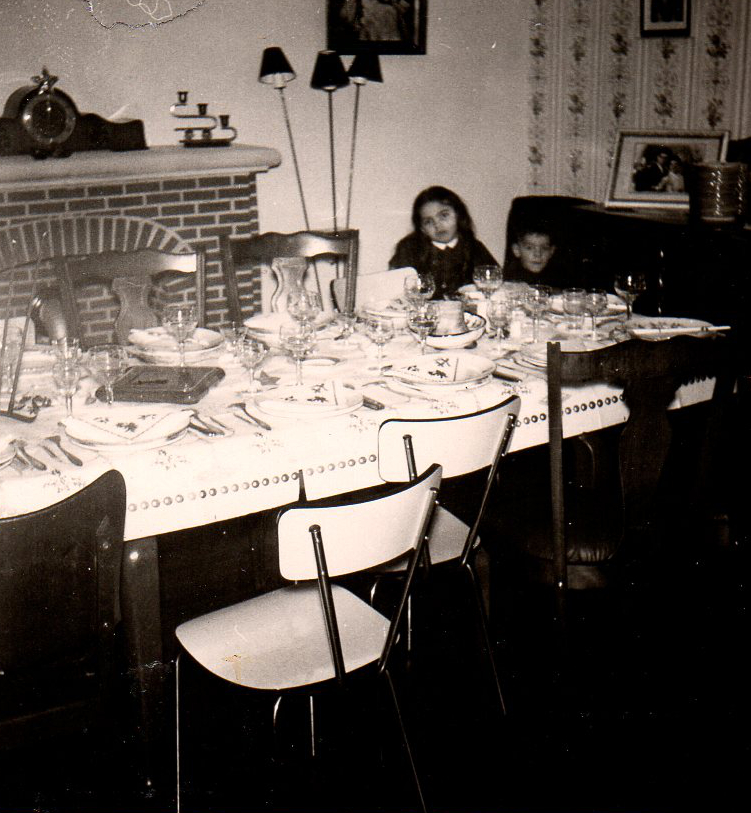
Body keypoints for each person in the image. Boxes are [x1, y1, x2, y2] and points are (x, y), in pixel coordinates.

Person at [389, 186, 498, 299]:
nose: (437, 225)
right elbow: (396, 290)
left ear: (458, 215)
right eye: (428, 222)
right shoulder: (409, 250)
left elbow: (494, 282)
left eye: (444, 215)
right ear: (422, 229)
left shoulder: (474, 247)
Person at [502, 218, 576, 289]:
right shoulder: (511, 279)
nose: (538, 254)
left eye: (544, 248)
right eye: (529, 248)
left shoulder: (559, 278)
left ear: (551, 251)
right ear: (517, 250)